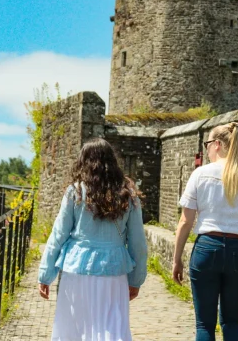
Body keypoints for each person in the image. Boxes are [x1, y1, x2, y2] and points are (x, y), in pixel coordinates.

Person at [38, 138, 148, 341]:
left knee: (74, 330)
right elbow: (138, 242)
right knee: (111, 328)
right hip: (113, 271)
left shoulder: (76, 192)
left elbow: (58, 234)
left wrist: (45, 274)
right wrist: (136, 279)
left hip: (77, 270)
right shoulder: (128, 195)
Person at [172, 122, 238, 341]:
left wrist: (177, 259)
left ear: (218, 145)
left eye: (207, 144)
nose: (207, 150)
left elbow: (185, 221)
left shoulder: (200, 174)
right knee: (232, 321)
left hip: (207, 248)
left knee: (204, 323)